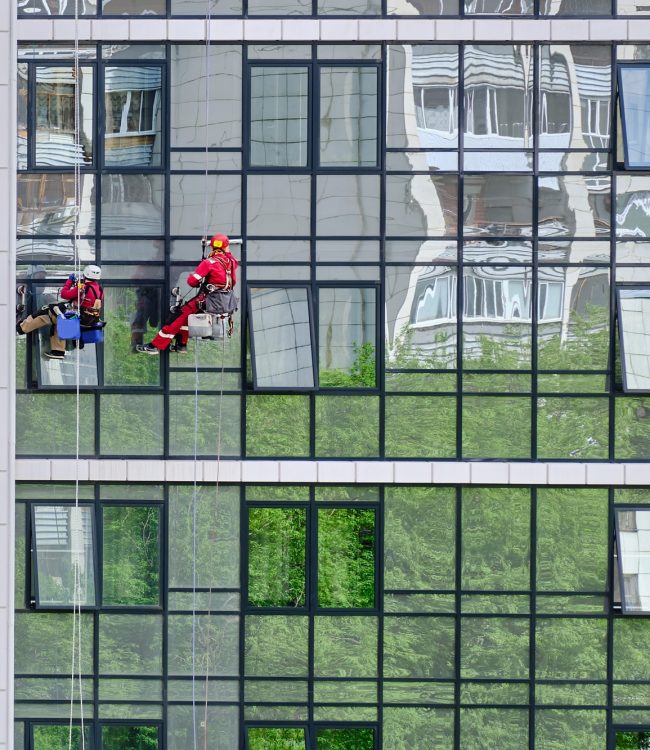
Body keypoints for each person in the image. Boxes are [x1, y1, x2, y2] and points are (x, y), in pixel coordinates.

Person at [136, 233, 238, 355]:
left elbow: (192, 282)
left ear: (212, 247)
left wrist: (199, 279)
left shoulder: (209, 263)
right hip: (223, 302)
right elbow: (234, 280)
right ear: (226, 247)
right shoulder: (231, 262)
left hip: (206, 300)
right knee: (186, 319)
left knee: (177, 317)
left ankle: (155, 346)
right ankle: (181, 345)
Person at [16, 264, 104, 359]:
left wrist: (69, 281)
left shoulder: (83, 288)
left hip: (76, 318)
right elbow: (87, 301)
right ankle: (58, 351)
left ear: (85, 275)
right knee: (58, 320)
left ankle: (22, 328)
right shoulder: (100, 289)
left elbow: (64, 294)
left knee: (44, 313)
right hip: (89, 320)